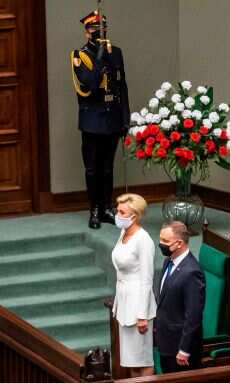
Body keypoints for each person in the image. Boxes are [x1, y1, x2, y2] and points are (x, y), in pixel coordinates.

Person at [72, 11, 129, 230]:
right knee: (92, 168)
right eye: (95, 30)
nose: (99, 33)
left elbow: (122, 86)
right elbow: (90, 84)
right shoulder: (80, 56)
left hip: (112, 117)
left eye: (103, 29)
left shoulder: (117, 52)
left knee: (107, 167)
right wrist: (99, 57)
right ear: (87, 32)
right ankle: (94, 209)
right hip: (92, 120)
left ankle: (106, 207)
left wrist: (125, 117)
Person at [110, 193, 156, 376]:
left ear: (134, 216)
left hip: (138, 306)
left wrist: (142, 315)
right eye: (118, 211)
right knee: (130, 361)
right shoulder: (124, 233)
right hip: (124, 302)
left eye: (122, 212)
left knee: (142, 360)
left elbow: (147, 279)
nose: (117, 215)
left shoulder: (143, 240)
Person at [155, 221, 206, 372]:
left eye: (165, 241)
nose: (161, 244)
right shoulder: (168, 261)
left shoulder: (192, 272)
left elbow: (193, 316)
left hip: (179, 350)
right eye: (160, 239)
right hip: (166, 341)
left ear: (179, 243)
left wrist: (184, 350)